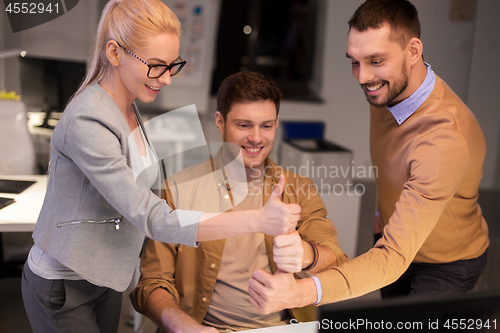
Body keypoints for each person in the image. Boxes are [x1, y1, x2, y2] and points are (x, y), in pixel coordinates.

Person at [20, 1, 301, 332]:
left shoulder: (130, 107)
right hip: (64, 284)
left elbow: (145, 171)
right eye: (156, 66)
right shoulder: (87, 118)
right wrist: (258, 220)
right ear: (114, 53)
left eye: (173, 65)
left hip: (106, 278)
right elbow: (151, 215)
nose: (167, 79)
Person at [246, 0, 489, 313]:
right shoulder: (389, 90)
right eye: (355, 62)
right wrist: (381, 217)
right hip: (396, 239)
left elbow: (391, 258)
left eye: (375, 61)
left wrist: (298, 293)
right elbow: (393, 160)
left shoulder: (444, 139)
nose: (362, 77)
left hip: (446, 264)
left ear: (413, 51)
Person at [130, 71, 348, 332]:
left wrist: (306, 254)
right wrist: (184, 326)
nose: (256, 138)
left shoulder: (299, 189)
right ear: (220, 122)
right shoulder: (178, 190)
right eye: (244, 125)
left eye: (266, 126)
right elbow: (153, 283)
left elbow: (336, 260)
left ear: (277, 123)